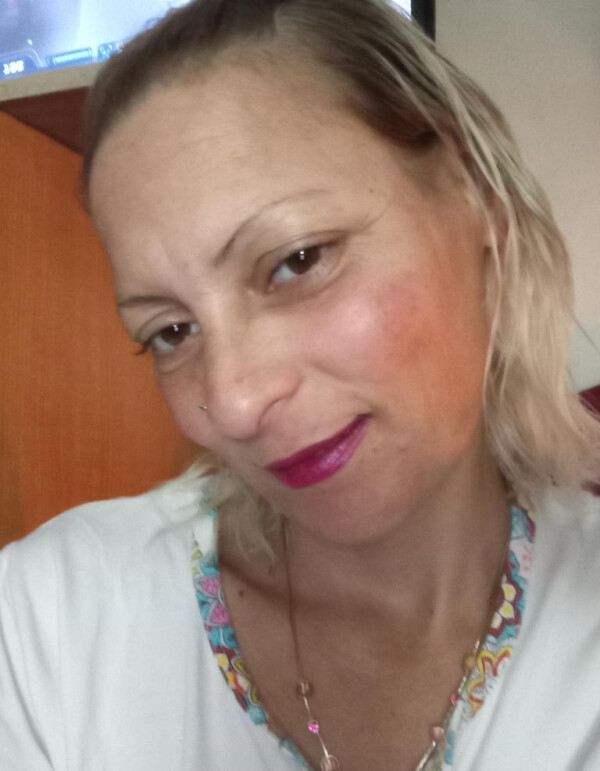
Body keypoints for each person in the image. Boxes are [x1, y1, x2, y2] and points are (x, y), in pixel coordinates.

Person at [1, 1, 600, 769]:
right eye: (171, 331)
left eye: (297, 260)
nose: (233, 402)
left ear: (474, 191)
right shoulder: (51, 624)